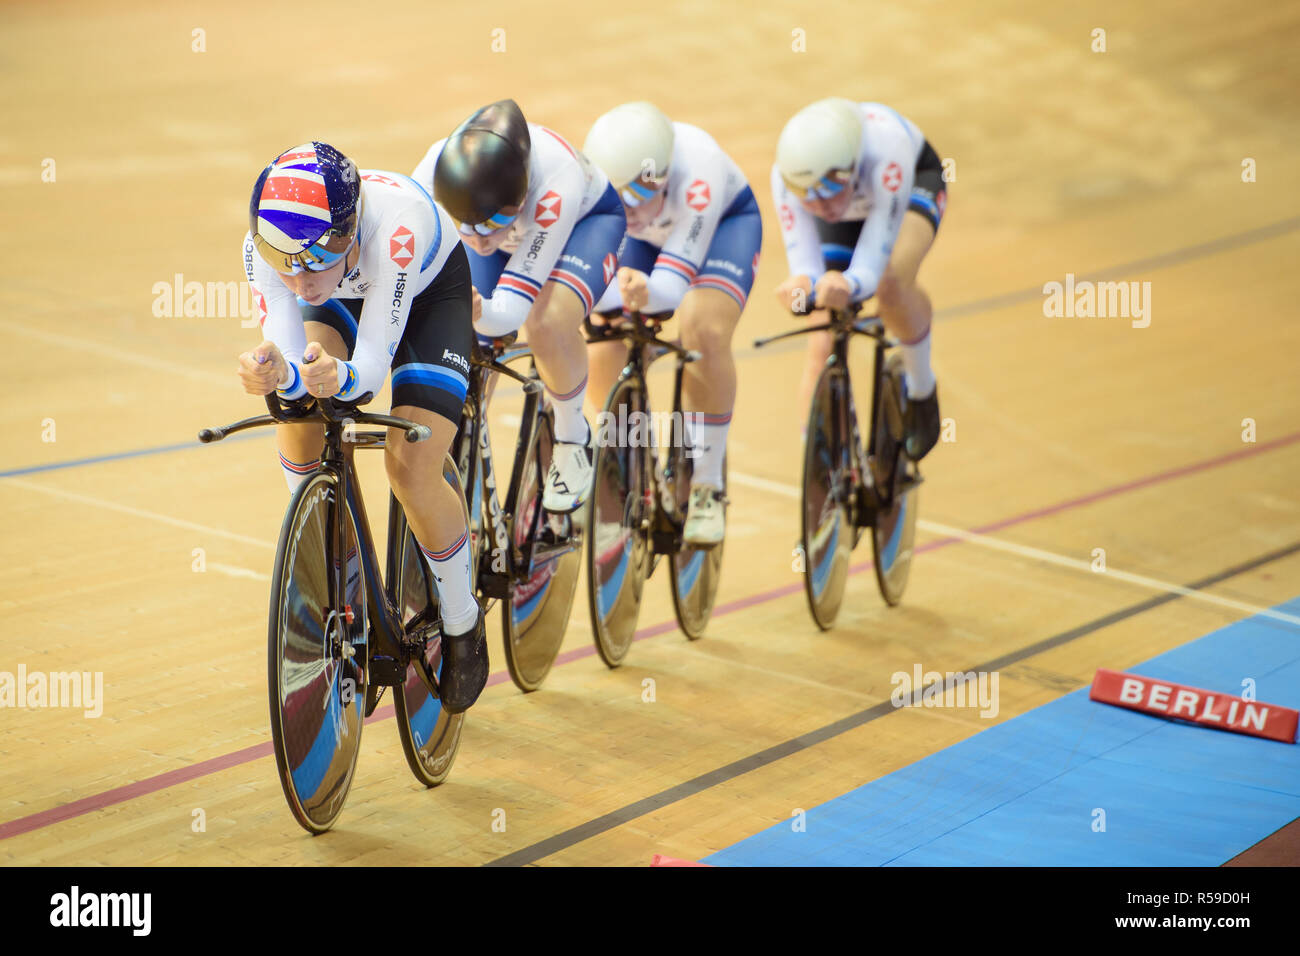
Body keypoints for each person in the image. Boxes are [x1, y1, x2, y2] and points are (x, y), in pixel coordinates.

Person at [239, 141, 487, 714]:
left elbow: (370, 371)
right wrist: (277, 372)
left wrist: (337, 376)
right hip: (348, 295)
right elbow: (288, 357)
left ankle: (461, 620)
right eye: (287, 266)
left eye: (314, 261)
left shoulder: (392, 233)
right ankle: (333, 570)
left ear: (348, 235)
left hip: (425, 296)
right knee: (301, 417)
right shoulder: (273, 246)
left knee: (410, 465)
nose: (299, 284)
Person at [412, 100, 627, 514]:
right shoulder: (430, 175)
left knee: (546, 323)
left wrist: (477, 309)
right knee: (466, 344)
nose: (475, 238)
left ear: (522, 196)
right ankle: (465, 455)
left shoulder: (554, 183)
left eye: (489, 223)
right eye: (464, 224)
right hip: (514, 234)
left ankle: (571, 435)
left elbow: (510, 312)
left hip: (582, 227)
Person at [581, 103, 762, 546]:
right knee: (603, 331)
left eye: (641, 195)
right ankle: (621, 459)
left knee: (704, 333)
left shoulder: (699, 170)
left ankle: (706, 487)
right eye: (618, 199)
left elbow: (671, 288)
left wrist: (642, 293)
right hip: (643, 246)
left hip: (721, 230)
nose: (631, 208)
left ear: (662, 175)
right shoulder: (596, 190)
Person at [772, 97, 947, 461]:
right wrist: (802, 289)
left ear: (851, 169)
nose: (820, 205)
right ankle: (818, 467)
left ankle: (921, 389)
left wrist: (849, 285)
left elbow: (869, 266)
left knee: (891, 284)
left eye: (828, 190)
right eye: (808, 197)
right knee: (822, 335)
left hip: (912, 184)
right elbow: (805, 268)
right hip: (855, 203)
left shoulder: (888, 154)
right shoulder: (789, 179)